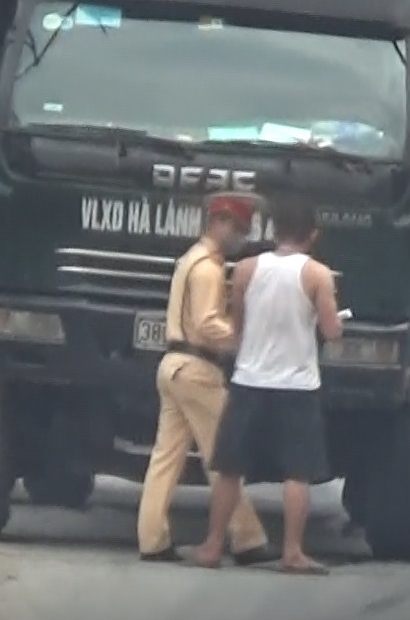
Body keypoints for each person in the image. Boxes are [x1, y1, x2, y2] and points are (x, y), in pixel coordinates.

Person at [192, 195, 343, 574]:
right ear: (313, 234)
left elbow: (237, 323)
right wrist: (335, 320)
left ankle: (212, 546)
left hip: (249, 379)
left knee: (230, 468)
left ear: (273, 231)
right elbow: (331, 330)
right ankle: (292, 552)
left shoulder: (244, 269)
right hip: (297, 385)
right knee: (297, 472)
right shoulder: (317, 275)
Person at [135, 192, 274, 564]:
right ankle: (247, 538)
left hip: (173, 365)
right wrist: (242, 337)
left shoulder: (188, 260)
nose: (243, 238)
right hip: (198, 369)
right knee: (225, 456)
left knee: (166, 457)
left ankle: (152, 538)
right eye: (240, 229)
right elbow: (207, 323)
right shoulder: (209, 269)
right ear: (222, 222)